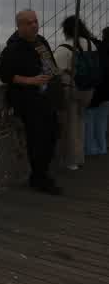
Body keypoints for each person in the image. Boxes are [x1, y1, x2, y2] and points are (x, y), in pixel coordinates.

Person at [0, 9, 63, 195]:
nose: (34, 25)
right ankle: (39, 177)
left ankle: (43, 174)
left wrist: (53, 75)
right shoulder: (12, 49)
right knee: (37, 140)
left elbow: (50, 66)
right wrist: (31, 81)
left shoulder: (40, 42)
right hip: (29, 101)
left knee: (52, 135)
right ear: (19, 26)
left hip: (47, 98)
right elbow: (5, 75)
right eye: (29, 23)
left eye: (35, 21)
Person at [54, 16, 96, 170]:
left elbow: (54, 71)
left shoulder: (64, 48)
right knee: (80, 123)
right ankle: (80, 156)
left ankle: (72, 161)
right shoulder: (91, 44)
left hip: (70, 89)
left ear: (66, 30)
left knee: (69, 126)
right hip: (88, 89)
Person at [85, 26, 109, 155]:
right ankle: (102, 147)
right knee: (102, 122)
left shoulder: (98, 48)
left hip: (95, 91)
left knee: (89, 121)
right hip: (106, 93)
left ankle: (90, 149)